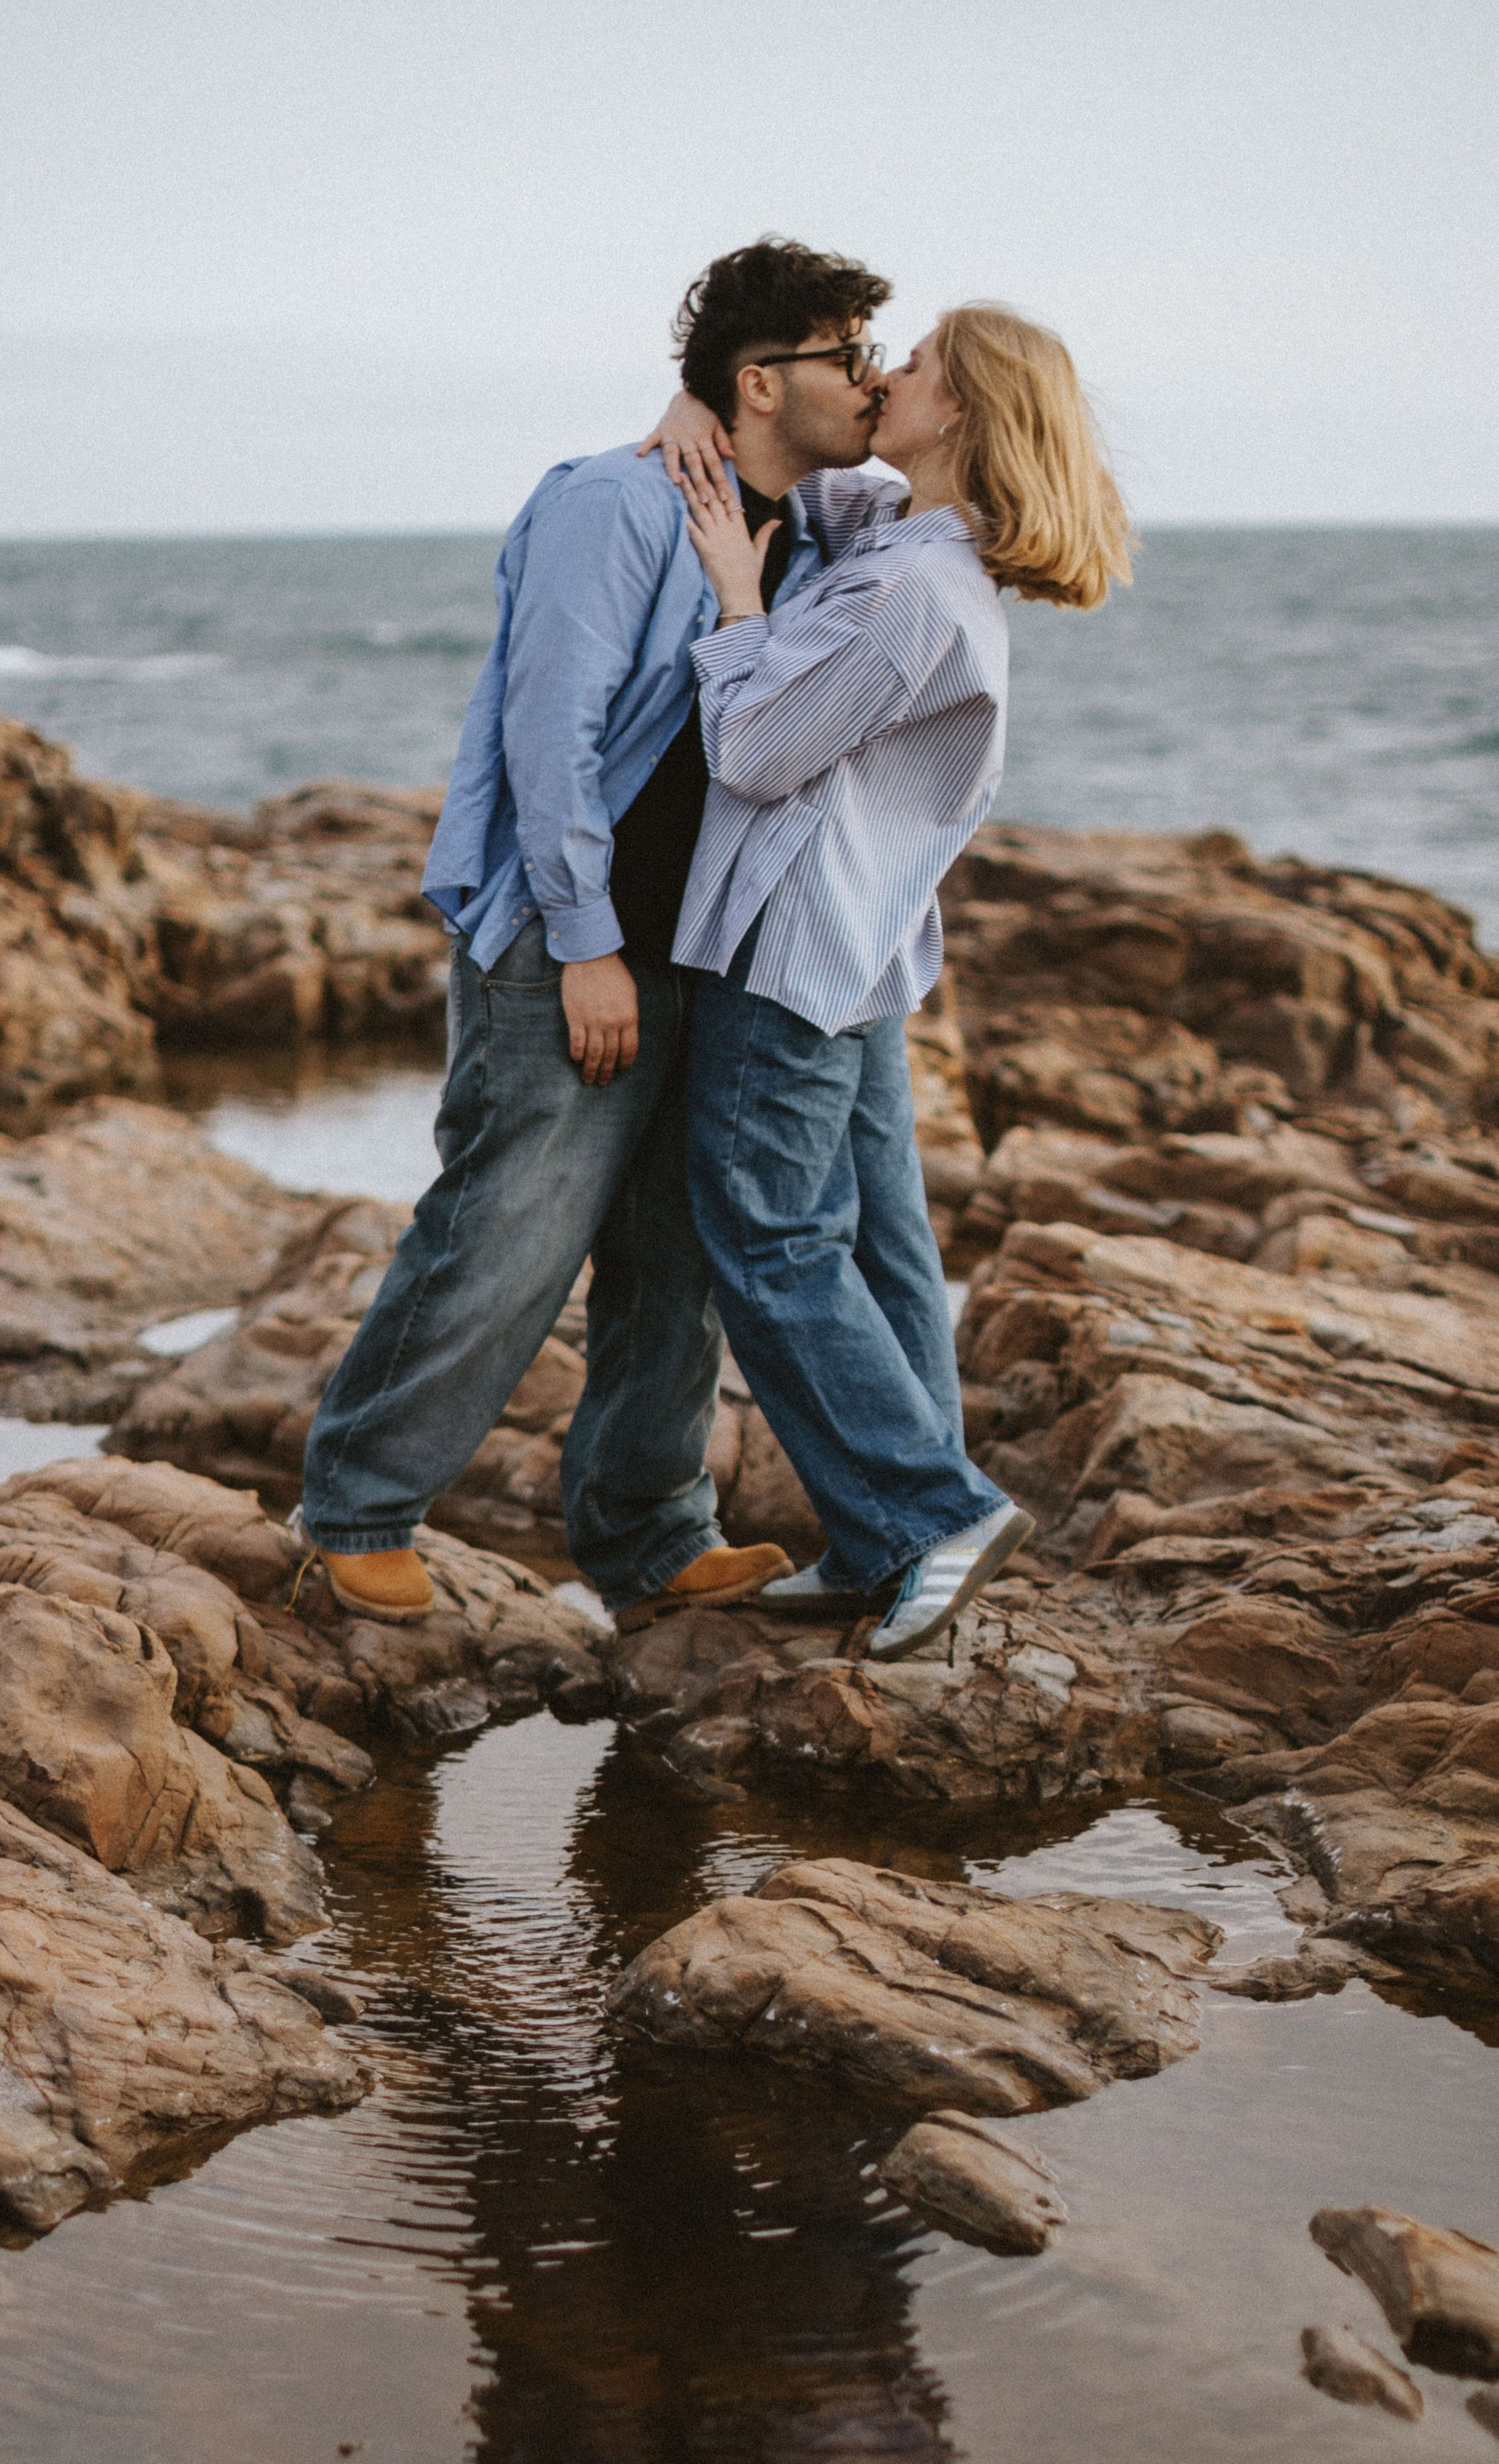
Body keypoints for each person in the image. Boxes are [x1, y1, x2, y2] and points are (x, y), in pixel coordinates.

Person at [296, 240, 893, 1631]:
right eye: (849, 355)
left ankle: (649, 1532)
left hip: (711, 949)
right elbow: (550, 730)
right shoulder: (613, 502)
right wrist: (583, 942)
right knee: (511, 1225)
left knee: (674, 1260)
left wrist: (698, 404)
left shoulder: (821, 523)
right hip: (572, 943)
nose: (873, 379)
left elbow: (958, 483)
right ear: (762, 381)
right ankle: (356, 1510)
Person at [649, 307, 1132, 1659]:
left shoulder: (916, 587)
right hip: (859, 948)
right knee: (880, 1247)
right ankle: (884, 1538)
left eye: (910, 365)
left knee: (770, 1239)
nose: (881, 378)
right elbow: (819, 487)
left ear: (962, 409)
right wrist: (704, 403)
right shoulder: (912, 541)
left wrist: (737, 605)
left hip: (792, 944)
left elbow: (755, 748)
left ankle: (932, 1516)